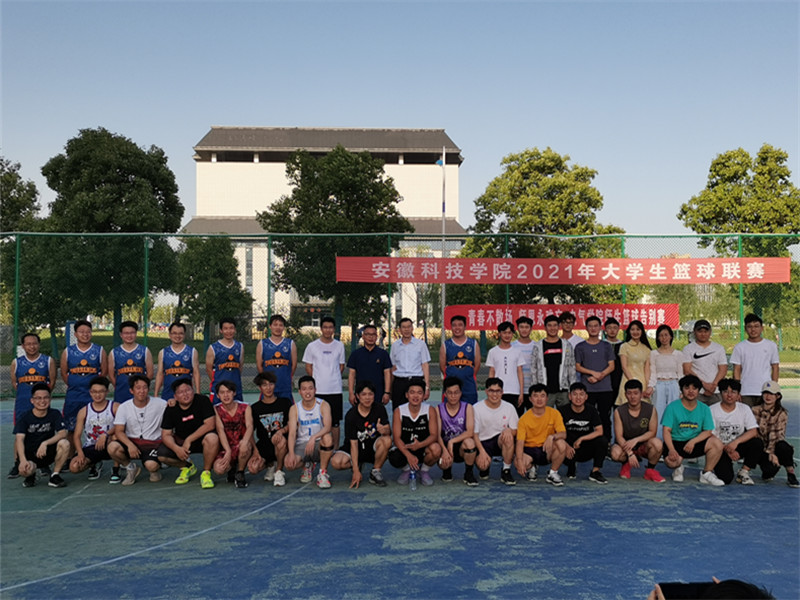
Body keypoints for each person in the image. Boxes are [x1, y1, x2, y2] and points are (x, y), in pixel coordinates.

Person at [661, 374, 725, 486]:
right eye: (687, 388)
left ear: (698, 391)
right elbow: (666, 431)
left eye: (694, 388)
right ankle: (678, 468)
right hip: (676, 442)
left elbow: (708, 431)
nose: (691, 391)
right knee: (672, 462)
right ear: (681, 390)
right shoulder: (672, 407)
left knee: (717, 443)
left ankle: (706, 473)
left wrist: (693, 441)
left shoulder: (704, 408)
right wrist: (671, 449)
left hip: (694, 443)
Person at [157, 377, 220, 488]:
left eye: (188, 390)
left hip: (202, 439)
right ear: (175, 396)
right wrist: (177, 449)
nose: (185, 394)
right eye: (181, 392)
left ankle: (206, 473)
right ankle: (187, 467)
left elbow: (210, 424)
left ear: (193, 390)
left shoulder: (202, 400)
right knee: (162, 455)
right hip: (182, 442)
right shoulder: (171, 408)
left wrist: (189, 439)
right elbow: (166, 434)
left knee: (212, 438)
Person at [9, 332, 56, 479]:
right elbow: (15, 383)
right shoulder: (16, 362)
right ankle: (18, 463)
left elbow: (52, 382)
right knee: (20, 434)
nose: (32, 346)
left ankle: (44, 464)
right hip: (22, 404)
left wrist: (40, 399)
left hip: (41, 404)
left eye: (34, 343)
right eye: (28, 344)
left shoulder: (48, 361)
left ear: (39, 344)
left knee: (44, 431)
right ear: (23, 346)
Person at [330, 380, 392, 488]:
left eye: (370, 394)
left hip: (372, 447)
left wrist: (384, 430)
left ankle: (375, 471)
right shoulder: (351, 415)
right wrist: (356, 470)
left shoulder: (379, 408)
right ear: (358, 396)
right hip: (355, 447)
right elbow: (353, 444)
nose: (367, 398)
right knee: (336, 462)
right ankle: (357, 464)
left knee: (387, 440)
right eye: (364, 394)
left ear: (374, 395)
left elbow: (388, 430)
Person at [107, 375, 167, 486]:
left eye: (145, 387)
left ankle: (154, 471)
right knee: (112, 447)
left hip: (152, 443)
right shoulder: (124, 407)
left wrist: (173, 402)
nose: (142, 391)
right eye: (138, 388)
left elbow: (175, 408)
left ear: (148, 389)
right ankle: (130, 468)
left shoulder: (161, 404)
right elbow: (119, 431)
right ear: (131, 390)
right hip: (132, 441)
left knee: (152, 466)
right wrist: (130, 445)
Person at [14, 383, 71, 488]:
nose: (42, 401)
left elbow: (63, 433)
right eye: (38, 398)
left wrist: (45, 443)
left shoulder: (54, 413)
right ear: (32, 400)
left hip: (47, 452)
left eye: (46, 398)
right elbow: (19, 439)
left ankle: (55, 476)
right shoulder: (25, 417)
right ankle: (31, 475)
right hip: (30, 454)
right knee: (25, 471)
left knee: (65, 443)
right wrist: (22, 460)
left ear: (50, 399)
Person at [388, 378, 442, 486]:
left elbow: (434, 435)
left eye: (419, 393)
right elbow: (397, 438)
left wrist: (419, 445)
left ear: (424, 395)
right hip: (405, 448)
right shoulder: (399, 411)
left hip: (423, 448)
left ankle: (424, 471)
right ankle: (407, 470)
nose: (415, 396)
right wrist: (408, 455)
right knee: (393, 455)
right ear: (407, 395)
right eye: (412, 392)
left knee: (436, 449)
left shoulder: (429, 410)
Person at [302, 316, 346, 448]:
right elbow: (308, 366)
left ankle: (336, 448)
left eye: (330, 327)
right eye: (325, 327)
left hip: (335, 390)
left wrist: (332, 377)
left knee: (335, 423)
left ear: (334, 329)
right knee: (318, 422)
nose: (328, 330)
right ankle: (319, 448)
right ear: (321, 329)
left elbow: (341, 366)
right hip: (319, 391)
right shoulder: (312, 346)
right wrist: (317, 382)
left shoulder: (339, 345)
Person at [285, 375, 335, 488]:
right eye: (304, 389)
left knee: (327, 437)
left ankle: (322, 473)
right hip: (302, 444)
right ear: (299, 392)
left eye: (310, 388)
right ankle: (307, 465)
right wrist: (291, 453)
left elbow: (328, 427)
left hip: (318, 443)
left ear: (315, 390)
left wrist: (314, 437)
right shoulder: (294, 408)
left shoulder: (323, 405)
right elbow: (292, 433)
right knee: (289, 464)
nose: (307, 392)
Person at [711, 379, 763, 485]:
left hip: (737, 445)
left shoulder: (744, 408)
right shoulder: (712, 410)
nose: (729, 395)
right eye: (725, 391)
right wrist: (727, 449)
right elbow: (710, 435)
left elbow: (753, 431)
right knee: (726, 478)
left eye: (733, 392)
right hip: (719, 447)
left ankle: (744, 471)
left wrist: (735, 443)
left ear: (738, 394)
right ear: (720, 393)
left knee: (757, 443)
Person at [610, 380, 665, 482]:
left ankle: (650, 470)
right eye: (629, 393)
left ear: (641, 394)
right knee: (615, 453)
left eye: (636, 393)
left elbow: (652, 432)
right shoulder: (619, 411)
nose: (633, 397)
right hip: (625, 445)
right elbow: (619, 437)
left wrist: (636, 440)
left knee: (657, 443)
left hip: (642, 445)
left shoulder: (650, 409)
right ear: (625, 395)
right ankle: (626, 464)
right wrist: (630, 453)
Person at [515, 383, 567, 486]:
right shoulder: (524, 419)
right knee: (518, 463)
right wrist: (519, 461)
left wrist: (552, 436)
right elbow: (520, 442)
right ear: (530, 399)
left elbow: (563, 434)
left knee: (561, 443)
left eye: (542, 396)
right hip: (529, 450)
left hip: (546, 449)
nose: (539, 399)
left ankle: (553, 473)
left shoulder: (554, 413)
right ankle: (531, 468)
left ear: (547, 398)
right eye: (535, 396)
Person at [68, 376, 119, 481]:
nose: (97, 395)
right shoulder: (84, 411)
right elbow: (77, 436)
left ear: (107, 391)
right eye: (94, 392)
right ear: (90, 392)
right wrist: (80, 454)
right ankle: (94, 464)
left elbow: (122, 426)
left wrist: (106, 434)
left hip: (110, 444)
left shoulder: (115, 407)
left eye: (101, 391)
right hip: (92, 446)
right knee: (74, 467)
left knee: (115, 437)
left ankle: (116, 468)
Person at [61, 319, 107, 434]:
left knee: (96, 430)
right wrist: (75, 383)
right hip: (74, 397)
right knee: (71, 430)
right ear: (75, 334)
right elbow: (64, 373)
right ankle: (72, 447)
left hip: (93, 397)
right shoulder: (68, 351)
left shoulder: (99, 350)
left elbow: (104, 372)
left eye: (88, 331)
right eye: (81, 332)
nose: (85, 334)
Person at [574, 316, 616, 442]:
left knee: (605, 417)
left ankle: (607, 443)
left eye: (595, 326)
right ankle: (587, 442)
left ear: (600, 328)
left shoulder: (606, 346)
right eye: (590, 326)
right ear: (586, 328)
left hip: (605, 388)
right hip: (587, 389)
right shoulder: (580, 346)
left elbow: (612, 366)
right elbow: (577, 366)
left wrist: (599, 376)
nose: (593, 328)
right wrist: (592, 373)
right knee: (587, 417)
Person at [248, 372, 293, 487]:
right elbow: (250, 431)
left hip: (282, 442)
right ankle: (270, 465)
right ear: (260, 388)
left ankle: (279, 471)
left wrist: (281, 431)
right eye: (264, 385)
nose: (268, 388)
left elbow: (293, 424)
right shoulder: (255, 408)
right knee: (253, 468)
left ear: (274, 385)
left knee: (280, 440)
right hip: (265, 444)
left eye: (271, 384)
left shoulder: (285, 403)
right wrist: (255, 450)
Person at [751, 381, 799, 487]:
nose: (768, 396)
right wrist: (768, 454)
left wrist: (771, 453)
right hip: (759, 447)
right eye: (765, 393)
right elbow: (753, 432)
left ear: (778, 396)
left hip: (774, 446)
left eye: (772, 394)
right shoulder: (754, 410)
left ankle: (790, 473)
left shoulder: (782, 413)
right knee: (768, 471)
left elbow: (777, 435)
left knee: (784, 447)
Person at [472, 377, 519, 485]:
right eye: (491, 391)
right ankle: (485, 468)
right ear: (486, 391)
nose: (495, 394)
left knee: (509, 437)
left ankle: (506, 470)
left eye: (498, 391)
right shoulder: (477, 408)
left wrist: (509, 430)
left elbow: (515, 430)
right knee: (482, 466)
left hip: (499, 441)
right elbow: (474, 434)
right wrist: (482, 452)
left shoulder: (509, 407)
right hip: (482, 443)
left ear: (502, 392)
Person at [559, 382, 608, 484]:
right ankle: (570, 467)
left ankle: (595, 472)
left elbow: (599, 431)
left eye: (581, 394)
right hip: (568, 447)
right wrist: (566, 446)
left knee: (602, 441)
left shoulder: (591, 410)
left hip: (585, 446)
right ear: (569, 396)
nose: (578, 397)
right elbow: (556, 433)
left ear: (586, 397)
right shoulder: (562, 411)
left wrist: (581, 439)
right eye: (575, 394)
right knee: (557, 443)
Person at [436, 377, 478, 486]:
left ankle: (468, 473)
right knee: (442, 461)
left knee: (470, 443)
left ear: (461, 393)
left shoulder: (467, 407)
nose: (453, 396)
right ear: (445, 394)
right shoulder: (438, 409)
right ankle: (447, 470)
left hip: (461, 447)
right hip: (445, 446)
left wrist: (452, 441)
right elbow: (437, 434)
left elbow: (470, 432)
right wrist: (444, 450)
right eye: (450, 393)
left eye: (456, 392)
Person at [731, 314, 780, 407]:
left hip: (765, 391)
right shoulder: (739, 347)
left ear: (762, 328)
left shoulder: (771, 345)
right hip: (745, 391)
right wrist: (737, 390)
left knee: (765, 416)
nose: (753, 329)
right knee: (746, 416)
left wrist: (774, 390)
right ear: (745, 329)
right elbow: (736, 370)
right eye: (749, 327)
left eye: (756, 326)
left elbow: (775, 368)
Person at [213, 380, 254, 489]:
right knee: (218, 469)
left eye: (228, 392)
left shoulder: (245, 407)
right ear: (217, 395)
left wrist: (245, 441)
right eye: (222, 392)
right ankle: (231, 468)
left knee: (245, 446)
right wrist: (228, 451)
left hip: (241, 443)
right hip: (226, 445)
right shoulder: (216, 409)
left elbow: (250, 426)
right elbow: (220, 430)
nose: (226, 395)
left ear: (234, 393)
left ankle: (240, 472)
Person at [530, 314, 576, 409]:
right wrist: (535, 389)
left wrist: (572, 389)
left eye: (555, 325)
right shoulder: (538, 346)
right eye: (549, 325)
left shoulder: (566, 345)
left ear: (559, 327)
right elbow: (534, 368)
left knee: (565, 415)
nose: (552, 328)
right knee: (545, 416)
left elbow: (571, 367)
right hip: (545, 390)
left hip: (563, 390)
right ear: (545, 328)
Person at [648, 324, 683, 439]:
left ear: (671, 336)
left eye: (666, 335)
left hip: (674, 385)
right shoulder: (653, 354)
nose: (664, 338)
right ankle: (659, 441)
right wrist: (651, 386)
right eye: (661, 335)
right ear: (658, 337)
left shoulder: (678, 354)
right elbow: (653, 372)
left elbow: (680, 373)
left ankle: (674, 440)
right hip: (659, 385)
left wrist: (682, 390)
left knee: (674, 413)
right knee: (658, 413)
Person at [682, 319, 727, 406]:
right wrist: (703, 384)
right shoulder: (688, 349)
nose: (703, 334)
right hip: (696, 392)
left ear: (710, 332)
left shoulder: (719, 348)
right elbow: (687, 370)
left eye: (706, 331)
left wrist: (713, 385)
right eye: (700, 331)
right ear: (694, 332)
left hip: (716, 391)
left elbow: (723, 369)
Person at [108, 320, 153, 404]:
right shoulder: (114, 352)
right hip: (121, 393)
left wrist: (141, 387)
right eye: (126, 333)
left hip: (139, 394)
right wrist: (118, 385)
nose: (129, 336)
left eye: (132, 333)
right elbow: (111, 375)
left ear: (136, 333)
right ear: (121, 335)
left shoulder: (144, 351)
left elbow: (150, 373)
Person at [390, 317, 431, 407]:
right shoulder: (395, 346)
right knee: (398, 410)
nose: (406, 330)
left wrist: (427, 387)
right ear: (400, 330)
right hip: (399, 382)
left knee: (417, 410)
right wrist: (390, 388)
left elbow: (425, 365)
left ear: (412, 328)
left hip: (416, 381)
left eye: (409, 327)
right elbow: (393, 367)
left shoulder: (420, 344)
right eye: (404, 327)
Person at [348, 323, 392, 407]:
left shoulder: (383, 354)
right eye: (368, 334)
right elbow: (351, 375)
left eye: (373, 334)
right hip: (361, 394)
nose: (371, 337)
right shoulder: (355, 354)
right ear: (363, 336)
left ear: (377, 337)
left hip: (378, 394)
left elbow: (387, 374)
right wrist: (351, 393)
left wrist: (387, 392)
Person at [439, 315, 480, 405]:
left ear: (465, 327)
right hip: (451, 387)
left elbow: (477, 365)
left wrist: (468, 375)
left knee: (470, 410)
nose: (457, 328)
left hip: (469, 385)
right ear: (451, 327)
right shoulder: (446, 345)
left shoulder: (473, 343)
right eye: (454, 325)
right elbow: (442, 367)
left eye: (460, 325)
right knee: (449, 410)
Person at [485, 321, 525, 413]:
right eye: (504, 333)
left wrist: (521, 393)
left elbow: (520, 372)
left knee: (515, 417)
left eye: (509, 333)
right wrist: (490, 390)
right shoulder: (493, 351)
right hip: (498, 391)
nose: (507, 335)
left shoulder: (517, 351)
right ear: (499, 334)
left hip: (514, 391)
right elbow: (492, 371)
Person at [154, 322, 200, 400]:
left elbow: (196, 373)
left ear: (184, 335)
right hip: (168, 394)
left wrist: (198, 392)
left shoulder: (192, 351)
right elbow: (160, 374)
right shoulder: (163, 352)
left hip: (186, 396)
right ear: (170, 335)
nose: (177, 336)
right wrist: (156, 394)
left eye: (180, 333)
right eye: (174, 333)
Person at [256, 314, 297, 401]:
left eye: (280, 325)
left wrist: (287, 377)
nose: (278, 327)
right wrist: (266, 381)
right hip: (269, 388)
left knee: (287, 408)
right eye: (275, 325)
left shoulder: (290, 343)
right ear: (270, 326)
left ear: (283, 327)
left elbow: (294, 365)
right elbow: (259, 366)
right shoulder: (262, 343)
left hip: (285, 386)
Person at [206, 317, 244, 403]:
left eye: (231, 328)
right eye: (225, 328)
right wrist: (218, 383)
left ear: (235, 329)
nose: (229, 331)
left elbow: (240, 367)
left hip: (235, 388)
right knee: (217, 410)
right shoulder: (213, 348)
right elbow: (208, 369)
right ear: (221, 330)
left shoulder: (240, 346)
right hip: (219, 389)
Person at [616, 319, 652, 406]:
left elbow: (647, 370)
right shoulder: (624, 346)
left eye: (638, 329)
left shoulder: (647, 349)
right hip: (628, 381)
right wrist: (633, 383)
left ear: (642, 331)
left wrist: (647, 385)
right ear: (629, 331)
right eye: (632, 329)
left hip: (642, 383)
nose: (635, 332)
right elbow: (624, 367)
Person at [512, 316, 535, 411]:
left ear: (531, 329)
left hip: (532, 389)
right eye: (521, 327)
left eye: (527, 327)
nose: (524, 330)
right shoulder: (512, 346)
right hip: (516, 390)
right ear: (517, 328)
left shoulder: (536, 346)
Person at [604, 317, 624, 402]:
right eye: (609, 328)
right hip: (604, 380)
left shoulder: (623, 345)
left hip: (620, 379)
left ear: (618, 329)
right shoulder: (601, 344)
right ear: (605, 330)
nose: (612, 330)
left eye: (615, 328)